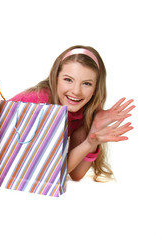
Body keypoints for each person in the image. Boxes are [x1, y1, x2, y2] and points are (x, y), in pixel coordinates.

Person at [11, 45, 135, 182]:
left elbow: (76, 174)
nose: (76, 91)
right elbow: (51, 172)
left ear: (95, 88)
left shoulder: (83, 113)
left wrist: (94, 133)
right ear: (56, 78)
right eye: (68, 80)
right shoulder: (39, 102)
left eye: (86, 84)